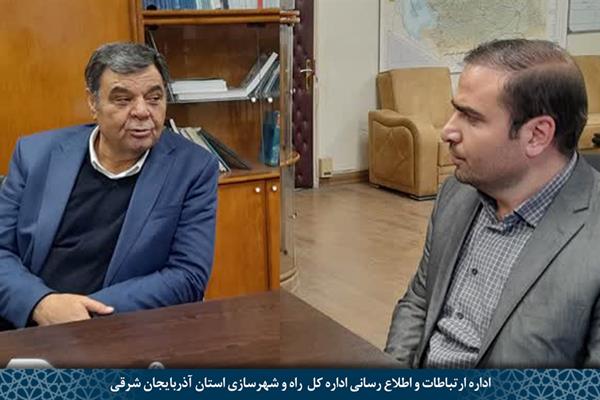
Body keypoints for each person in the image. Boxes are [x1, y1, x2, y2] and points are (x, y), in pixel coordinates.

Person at [385, 39, 600, 368]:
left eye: (471, 118)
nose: (448, 131)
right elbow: (419, 301)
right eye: (456, 110)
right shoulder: (455, 194)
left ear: (537, 135)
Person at [0, 42, 219, 329]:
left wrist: (83, 312)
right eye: (123, 100)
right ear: (93, 103)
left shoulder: (193, 167)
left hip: (121, 329)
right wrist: (41, 303)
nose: (142, 111)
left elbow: (187, 275)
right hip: (27, 324)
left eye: (154, 98)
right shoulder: (35, 154)